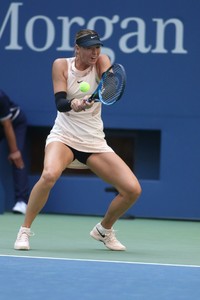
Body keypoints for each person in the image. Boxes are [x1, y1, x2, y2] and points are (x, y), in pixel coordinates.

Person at [14, 29, 142, 251]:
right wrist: (73, 104)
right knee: (49, 175)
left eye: (97, 47)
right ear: (77, 49)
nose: (94, 52)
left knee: (132, 190)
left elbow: (109, 83)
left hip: (94, 142)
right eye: (89, 48)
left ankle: (104, 230)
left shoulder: (102, 60)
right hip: (64, 137)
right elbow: (60, 103)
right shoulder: (61, 65)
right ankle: (24, 231)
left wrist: (106, 81)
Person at [0, 89, 29, 214]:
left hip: (14, 122)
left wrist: (14, 150)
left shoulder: (0, 97)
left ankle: (21, 201)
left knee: (17, 157)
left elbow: (7, 125)